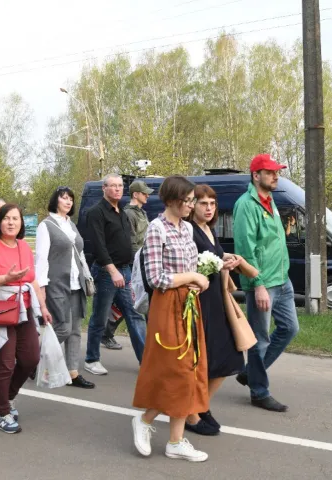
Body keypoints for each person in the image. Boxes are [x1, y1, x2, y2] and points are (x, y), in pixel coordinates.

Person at [131, 176, 210, 462]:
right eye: (188, 201)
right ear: (172, 201)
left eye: (192, 200)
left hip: (189, 302)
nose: (192, 205)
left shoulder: (187, 227)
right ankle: (145, 420)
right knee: (174, 369)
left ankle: (175, 441)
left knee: (191, 368)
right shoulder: (156, 229)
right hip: (167, 305)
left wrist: (200, 278)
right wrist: (191, 276)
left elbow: (190, 265)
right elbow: (156, 278)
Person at [0, 204, 51, 434]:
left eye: (16, 218)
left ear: (21, 223)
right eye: (6, 218)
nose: (11, 222)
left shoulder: (24, 246)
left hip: (24, 311)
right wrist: (5, 278)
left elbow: (32, 279)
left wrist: (43, 306)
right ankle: (2, 412)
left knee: (30, 359)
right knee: (4, 365)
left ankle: (8, 397)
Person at [233, 153, 300, 413]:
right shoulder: (246, 205)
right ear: (256, 175)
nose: (276, 176)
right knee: (259, 340)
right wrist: (257, 283)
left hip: (282, 281)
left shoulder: (269, 200)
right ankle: (259, 392)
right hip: (263, 284)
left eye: (276, 172)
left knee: (290, 329)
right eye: (270, 172)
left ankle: (250, 372)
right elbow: (245, 250)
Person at [186, 184, 245, 436]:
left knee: (228, 357)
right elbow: (188, 266)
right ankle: (191, 415)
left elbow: (213, 259)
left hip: (216, 300)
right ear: (192, 205)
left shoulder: (210, 230)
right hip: (199, 302)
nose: (208, 208)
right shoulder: (188, 230)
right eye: (203, 203)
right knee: (200, 361)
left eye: (212, 204)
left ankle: (201, 405)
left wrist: (225, 262)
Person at [84, 174, 147, 375]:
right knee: (100, 318)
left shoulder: (121, 212)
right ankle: (91, 359)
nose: (118, 189)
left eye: (120, 186)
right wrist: (112, 271)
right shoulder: (96, 212)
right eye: (113, 186)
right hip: (106, 273)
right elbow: (99, 247)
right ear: (104, 188)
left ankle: (146, 361)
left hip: (126, 271)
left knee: (134, 313)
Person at [35, 187, 95, 389]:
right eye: (64, 198)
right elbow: (41, 258)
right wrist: (41, 286)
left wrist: (86, 274)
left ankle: (73, 373)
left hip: (76, 283)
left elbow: (80, 252)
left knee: (76, 329)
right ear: (56, 200)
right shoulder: (46, 225)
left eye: (71, 198)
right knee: (63, 327)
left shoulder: (72, 225)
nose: (68, 202)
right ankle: (32, 358)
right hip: (56, 284)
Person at [102, 179, 153, 351]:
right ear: (136, 194)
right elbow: (129, 241)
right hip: (133, 263)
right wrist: (135, 262)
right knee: (133, 304)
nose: (147, 195)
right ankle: (106, 333)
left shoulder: (140, 212)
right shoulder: (129, 214)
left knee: (130, 303)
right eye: (144, 193)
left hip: (142, 261)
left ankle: (106, 333)